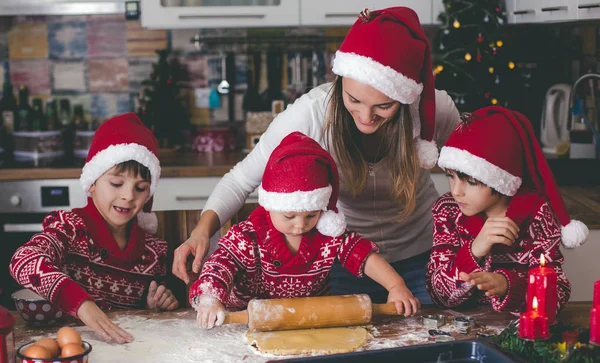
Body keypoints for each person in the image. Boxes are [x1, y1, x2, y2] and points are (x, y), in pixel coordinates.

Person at [173, 7, 460, 304]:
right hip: (341, 262)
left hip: (423, 257)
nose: (365, 116)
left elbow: (476, 172)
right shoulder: (311, 113)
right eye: (354, 99)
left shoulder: (435, 110)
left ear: (405, 97)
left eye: (383, 107)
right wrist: (201, 231)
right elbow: (240, 180)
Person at [191, 132, 420, 329]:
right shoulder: (248, 236)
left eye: (311, 215)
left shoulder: (328, 234)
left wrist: (396, 285)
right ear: (271, 205)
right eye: (289, 216)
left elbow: (363, 256)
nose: (300, 225)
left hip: (310, 322)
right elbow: (220, 264)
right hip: (244, 323)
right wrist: (211, 298)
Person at [10, 113, 178, 343]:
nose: (128, 196)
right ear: (92, 184)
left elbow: (141, 323)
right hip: (76, 352)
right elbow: (23, 260)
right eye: (116, 184)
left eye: (140, 188)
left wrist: (154, 306)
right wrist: (81, 304)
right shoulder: (70, 229)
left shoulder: (154, 251)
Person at [426, 106, 588, 313]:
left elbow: (558, 294)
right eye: (450, 176)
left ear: (500, 180)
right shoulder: (447, 210)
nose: (456, 191)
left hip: (519, 332)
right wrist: (475, 250)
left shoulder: (537, 214)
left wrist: (507, 286)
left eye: (472, 182)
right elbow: (438, 294)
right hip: (462, 330)